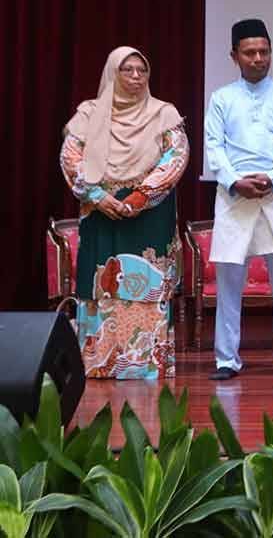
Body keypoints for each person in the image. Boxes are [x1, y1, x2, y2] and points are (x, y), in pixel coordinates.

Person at [60, 46, 188, 379]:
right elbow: (71, 159)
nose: (135, 77)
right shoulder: (89, 114)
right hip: (101, 212)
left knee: (146, 285)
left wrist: (140, 197)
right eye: (126, 70)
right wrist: (99, 197)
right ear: (112, 73)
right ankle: (100, 362)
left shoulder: (164, 113)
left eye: (141, 71)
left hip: (149, 213)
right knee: (103, 283)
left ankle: (145, 365)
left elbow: (175, 158)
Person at [204, 18, 273, 381]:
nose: (259, 58)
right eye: (250, 52)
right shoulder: (221, 98)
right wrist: (235, 181)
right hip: (235, 199)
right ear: (235, 56)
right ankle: (225, 360)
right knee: (229, 283)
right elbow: (214, 146)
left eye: (264, 51)